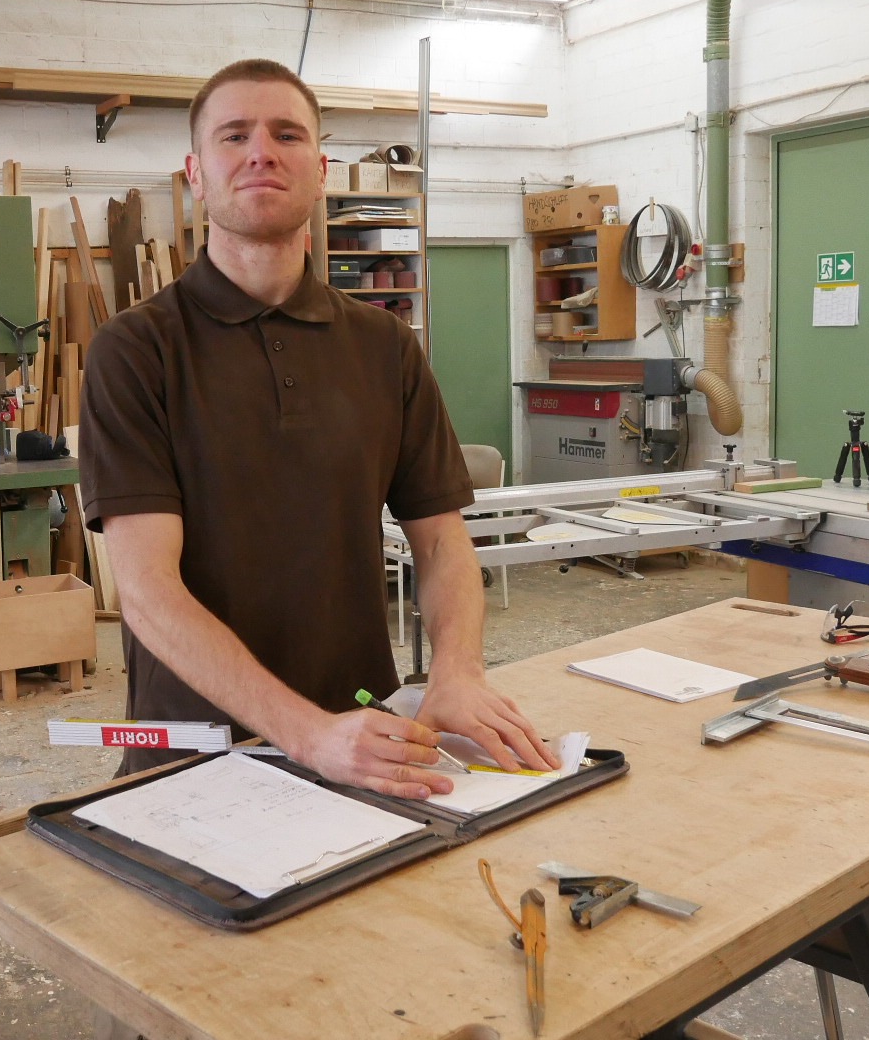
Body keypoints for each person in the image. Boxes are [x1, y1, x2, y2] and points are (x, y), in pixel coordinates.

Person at [79, 58, 559, 806]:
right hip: (194, 755)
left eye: (287, 134)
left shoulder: (384, 346)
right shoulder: (137, 350)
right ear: (196, 174)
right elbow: (146, 591)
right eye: (234, 135)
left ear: (320, 169)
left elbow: (439, 539)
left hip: (365, 737)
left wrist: (456, 671)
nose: (261, 151)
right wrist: (305, 736)